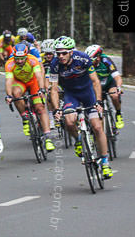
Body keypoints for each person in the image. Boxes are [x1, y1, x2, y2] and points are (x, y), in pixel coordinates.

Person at [47, 36, 112, 179]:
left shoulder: (83, 59)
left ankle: (105, 162)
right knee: (69, 121)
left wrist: (99, 101)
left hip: (88, 94)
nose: (60, 56)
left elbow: (95, 81)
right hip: (71, 95)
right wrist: (57, 109)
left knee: (97, 127)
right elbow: (53, 89)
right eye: (58, 53)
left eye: (64, 53)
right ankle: (78, 140)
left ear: (71, 51)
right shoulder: (55, 64)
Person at [4, 43, 55, 152]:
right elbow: (8, 81)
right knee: (16, 94)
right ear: (14, 57)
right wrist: (8, 95)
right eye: (17, 59)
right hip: (19, 82)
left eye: (22, 58)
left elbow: (39, 75)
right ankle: (25, 118)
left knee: (40, 108)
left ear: (26, 56)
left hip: (33, 82)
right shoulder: (9, 63)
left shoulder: (32, 60)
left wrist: (41, 89)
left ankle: (47, 138)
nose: (20, 61)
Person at [85, 45, 124, 129]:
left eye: (93, 59)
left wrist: (119, 87)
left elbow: (117, 77)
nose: (91, 62)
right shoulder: (87, 64)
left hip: (109, 83)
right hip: (96, 87)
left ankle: (118, 114)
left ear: (98, 57)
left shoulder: (106, 60)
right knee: (98, 110)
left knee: (114, 95)